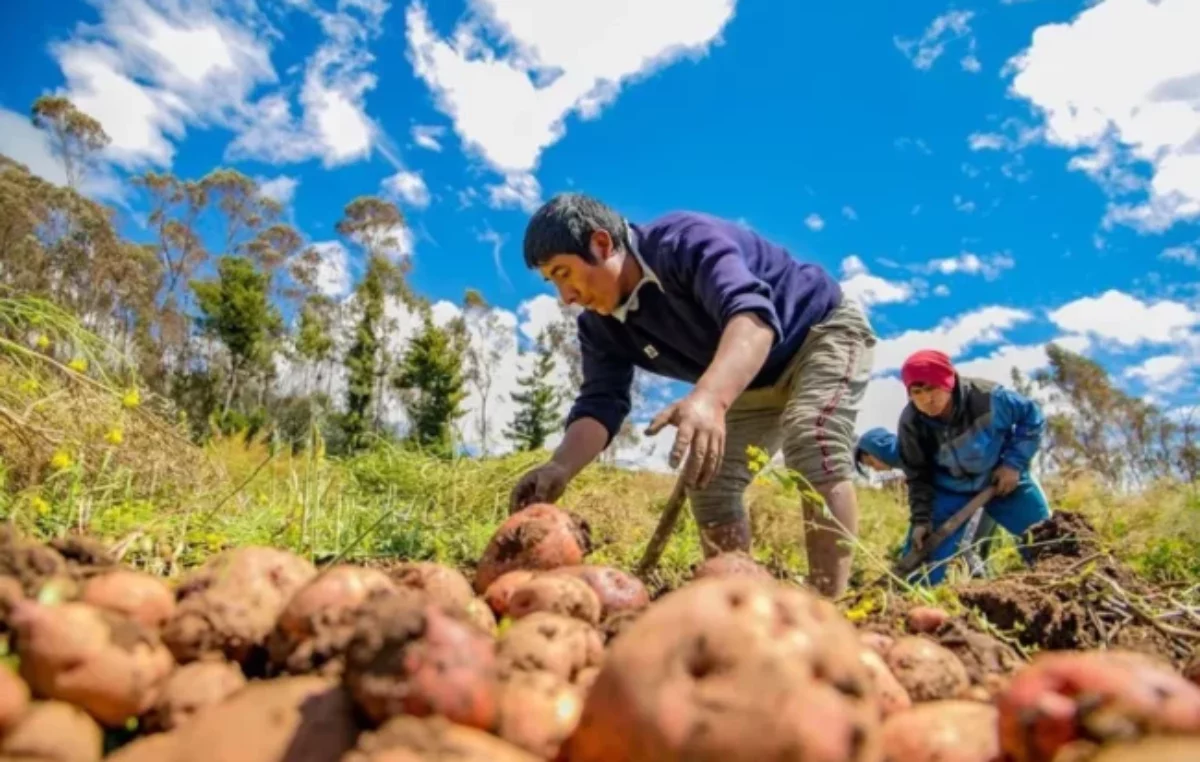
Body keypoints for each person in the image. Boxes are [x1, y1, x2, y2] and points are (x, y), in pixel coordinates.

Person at [508, 193, 877, 597]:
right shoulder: (600, 327)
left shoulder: (684, 242)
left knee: (812, 436)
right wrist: (560, 466)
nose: (566, 297)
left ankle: (829, 604)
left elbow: (752, 319)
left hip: (817, 334)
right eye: (553, 282)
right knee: (709, 478)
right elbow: (602, 402)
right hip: (751, 380)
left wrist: (710, 399)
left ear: (601, 244)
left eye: (565, 272)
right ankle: (737, 602)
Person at [895, 349, 1052, 585]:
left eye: (932, 388)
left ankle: (1059, 585)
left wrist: (1013, 464)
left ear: (948, 382)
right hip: (949, 491)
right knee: (922, 564)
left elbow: (1031, 417)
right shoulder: (912, 424)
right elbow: (918, 475)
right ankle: (908, 608)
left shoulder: (989, 398)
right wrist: (921, 519)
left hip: (1001, 479)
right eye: (916, 392)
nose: (926, 399)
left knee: (1046, 539)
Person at [854, 427, 1000, 578]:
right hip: (984, 486)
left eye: (871, 463)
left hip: (978, 490)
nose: (876, 470)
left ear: (878, 450)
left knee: (965, 548)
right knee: (976, 549)